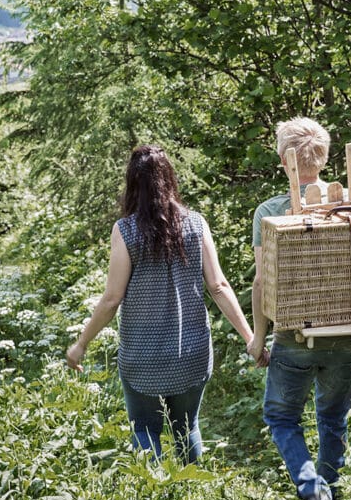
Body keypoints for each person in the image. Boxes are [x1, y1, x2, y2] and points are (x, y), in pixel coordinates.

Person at [67, 145, 269, 464]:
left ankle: (157, 499)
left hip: (141, 355)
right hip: (191, 352)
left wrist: (80, 345)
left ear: (133, 184)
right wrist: (251, 339)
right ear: (169, 179)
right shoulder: (196, 224)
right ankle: (190, 495)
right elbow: (218, 286)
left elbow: (111, 298)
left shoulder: (125, 230)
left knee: (145, 429)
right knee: (186, 429)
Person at [247, 117, 351, 500]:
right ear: (323, 156)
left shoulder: (271, 211)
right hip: (346, 335)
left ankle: (312, 491)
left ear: (282, 156)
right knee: (333, 417)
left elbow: (261, 281)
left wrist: (257, 335)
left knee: (282, 416)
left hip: (294, 336)